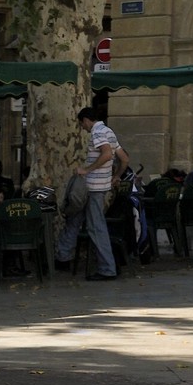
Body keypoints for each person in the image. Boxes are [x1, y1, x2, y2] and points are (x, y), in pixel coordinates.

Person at [54, 107, 120, 282]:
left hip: (93, 188)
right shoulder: (109, 131)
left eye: (82, 123)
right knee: (74, 219)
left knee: (96, 227)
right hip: (99, 186)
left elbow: (106, 154)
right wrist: (116, 176)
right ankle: (63, 257)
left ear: (86, 120)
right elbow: (124, 157)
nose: (82, 127)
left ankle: (107, 268)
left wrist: (86, 169)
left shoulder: (97, 132)